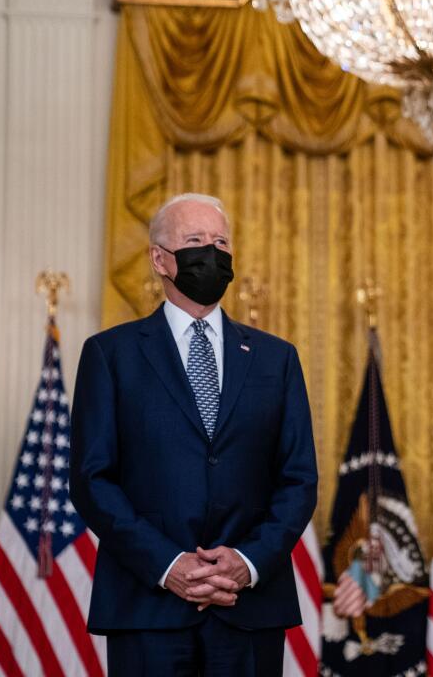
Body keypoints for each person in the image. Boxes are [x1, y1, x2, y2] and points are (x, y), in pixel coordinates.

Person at [70, 193, 318, 675]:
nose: (212, 252)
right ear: (159, 259)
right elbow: (92, 478)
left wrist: (247, 562)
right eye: (195, 240)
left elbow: (299, 478)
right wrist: (169, 565)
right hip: (146, 608)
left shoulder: (276, 358)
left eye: (221, 241)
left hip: (249, 609)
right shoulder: (109, 355)